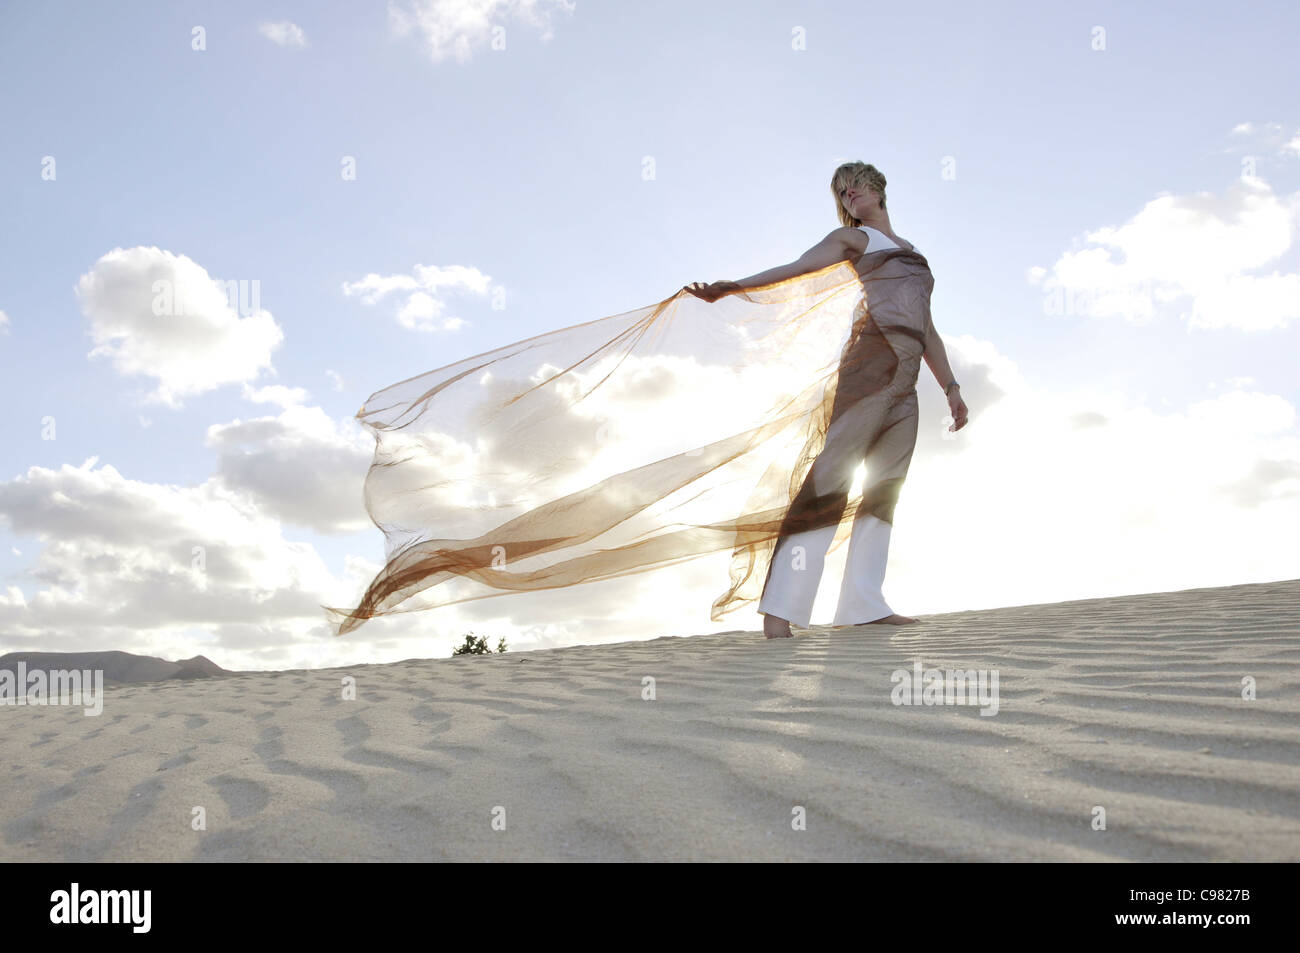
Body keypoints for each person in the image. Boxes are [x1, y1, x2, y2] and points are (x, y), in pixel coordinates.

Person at [686, 162, 969, 639]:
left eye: (855, 183)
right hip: (869, 368)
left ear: (878, 188)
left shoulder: (912, 252)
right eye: (841, 190)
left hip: (907, 382)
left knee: (885, 490)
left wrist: (952, 388)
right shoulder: (854, 241)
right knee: (830, 480)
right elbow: (795, 268)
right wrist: (732, 286)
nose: (849, 192)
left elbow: (928, 327)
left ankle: (864, 604)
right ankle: (779, 610)